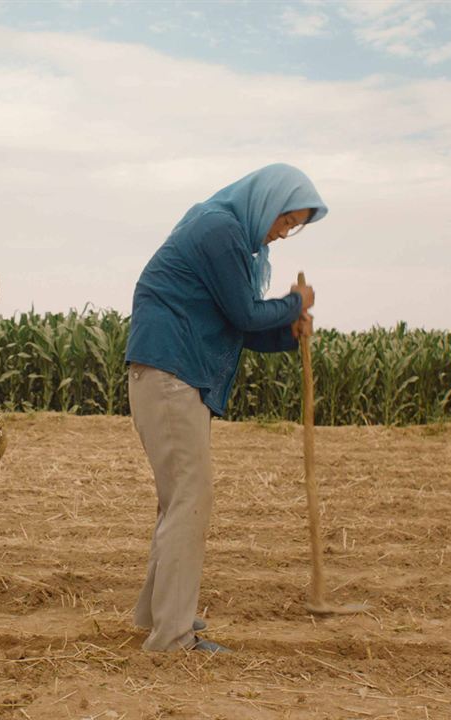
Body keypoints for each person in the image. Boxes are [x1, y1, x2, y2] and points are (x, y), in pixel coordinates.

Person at [125, 164, 327, 652]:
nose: (283, 234)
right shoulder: (221, 229)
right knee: (190, 501)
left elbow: (238, 324)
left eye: (293, 226)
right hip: (172, 375)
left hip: (172, 374)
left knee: (179, 501)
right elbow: (243, 313)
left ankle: (159, 615)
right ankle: (170, 637)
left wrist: (287, 329)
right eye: (285, 221)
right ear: (267, 202)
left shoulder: (226, 232)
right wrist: (294, 302)